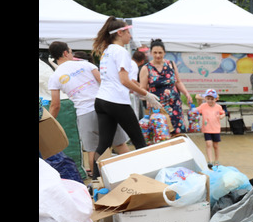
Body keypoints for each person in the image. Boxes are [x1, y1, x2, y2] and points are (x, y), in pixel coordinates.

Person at [47, 41, 130, 178]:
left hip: (84, 113)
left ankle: (98, 185)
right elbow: (105, 83)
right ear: (65, 53)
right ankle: (137, 174)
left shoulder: (55, 77)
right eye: (71, 51)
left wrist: (49, 123)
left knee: (92, 150)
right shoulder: (86, 64)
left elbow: (55, 105)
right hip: (104, 107)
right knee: (120, 144)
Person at [91, 17, 162, 176]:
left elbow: (122, 80)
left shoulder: (107, 51)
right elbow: (124, 80)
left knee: (104, 145)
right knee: (139, 142)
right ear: (120, 32)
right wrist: (147, 94)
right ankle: (150, 176)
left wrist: (140, 92)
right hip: (116, 101)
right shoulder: (121, 51)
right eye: (128, 32)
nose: (130, 36)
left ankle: (95, 181)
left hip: (101, 100)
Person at [139, 39, 193, 136]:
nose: (158, 55)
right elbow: (142, 88)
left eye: (160, 52)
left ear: (164, 52)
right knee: (161, 134)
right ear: (151, 53)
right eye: (155, 53)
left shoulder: (171, 64)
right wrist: (148, 98)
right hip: (158, 106)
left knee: (177, 133)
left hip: (175, 105)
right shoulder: (146, 68)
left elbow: (178, 82)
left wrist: (186, 93)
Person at [194, 89, 226, 167]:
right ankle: (210, 161)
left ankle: (216, 160)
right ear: (205, 99)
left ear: (216, 99)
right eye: (208, 99)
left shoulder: (218, 107)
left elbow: (223, 113)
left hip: (216, 129)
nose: (210, 101)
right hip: (207, 129)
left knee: (215, 145)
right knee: (208, 144)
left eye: (212, 99)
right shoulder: (203, 106)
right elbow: (196, 111)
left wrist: (221, 116)